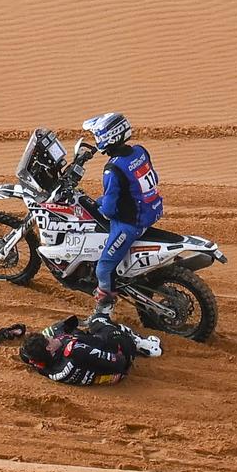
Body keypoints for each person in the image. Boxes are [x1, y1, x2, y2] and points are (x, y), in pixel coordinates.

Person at [80, 111, 163, 322]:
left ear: (108, 137)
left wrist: (99, 207)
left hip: (131, 223)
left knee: (103, 267)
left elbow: (108, 210)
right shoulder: (139, 151)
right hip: (151, 208)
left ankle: (104, 307)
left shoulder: (112, 169)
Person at [0, 315, 162, 386]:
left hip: (85, 357)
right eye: (49, 340)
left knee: (62, 329)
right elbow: (119, 362)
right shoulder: (76, 351)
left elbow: (26, 354)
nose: (51, 338)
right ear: (49, 347)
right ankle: (142, 344)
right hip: (120, 357)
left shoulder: (39, 362)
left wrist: (17, 334)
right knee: (98, 319)